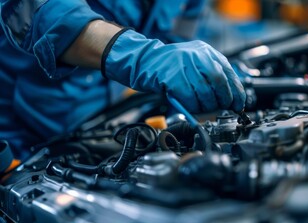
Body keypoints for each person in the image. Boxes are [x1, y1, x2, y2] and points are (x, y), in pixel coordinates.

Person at [0, 0, 246, 160]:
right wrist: (144, 56)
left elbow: (177, 36)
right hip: (15, 140)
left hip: (90, 132)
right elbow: (41, 13)